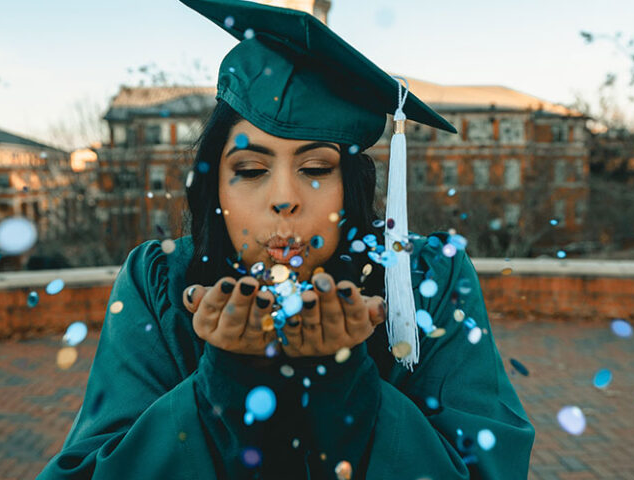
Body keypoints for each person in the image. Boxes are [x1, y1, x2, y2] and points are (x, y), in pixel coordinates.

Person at [36, 1, 535, 478]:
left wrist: (347, 384)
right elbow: (94, 468)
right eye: (250, 169)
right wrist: (224, 380)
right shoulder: (161, 283)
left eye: (316, 167)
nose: (284, 199)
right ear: (215, 185)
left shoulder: (425, 278)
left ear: (353, 185)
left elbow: (486, 466)